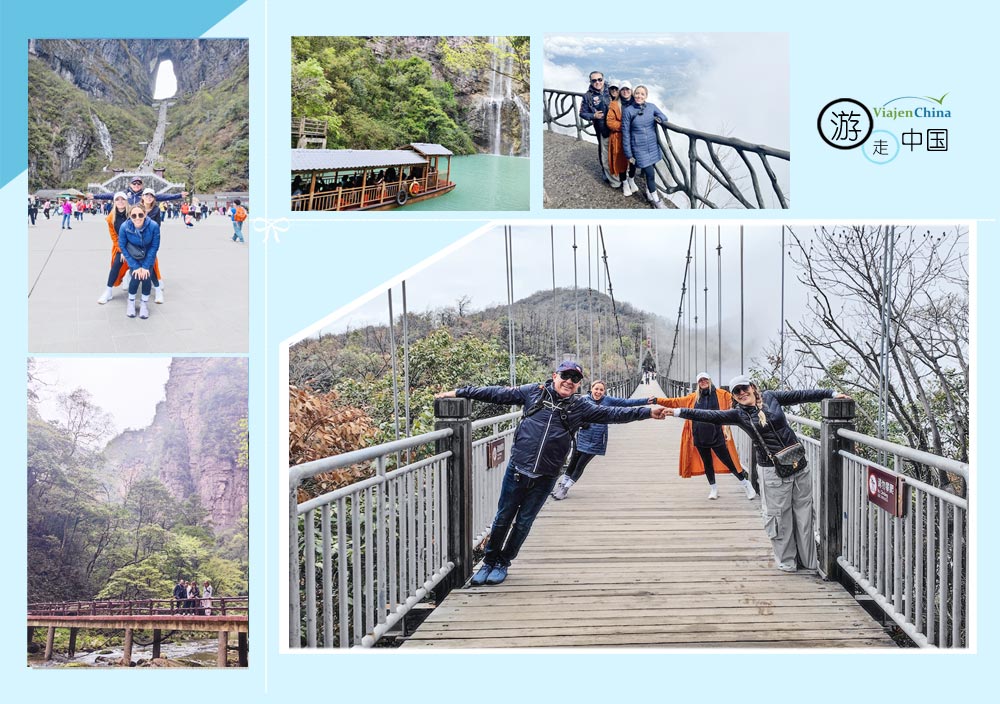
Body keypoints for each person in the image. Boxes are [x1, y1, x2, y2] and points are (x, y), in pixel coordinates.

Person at [435, 361, 669, 586]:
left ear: (579, 385)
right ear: (555, 376)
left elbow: (614, 414)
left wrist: (648, 412)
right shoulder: (533, 393)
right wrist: (459, 391)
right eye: (565, 376)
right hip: (518, 469)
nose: (569, 381)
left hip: (546, 476)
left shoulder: (581, 407)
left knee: (524, 522)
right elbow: (497, 393)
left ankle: (503, 563)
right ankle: (488, 562)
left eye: (575, 379)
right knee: (503, 518)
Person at [670, 375, 849, 572]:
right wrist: (676, 412)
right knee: (779, 518)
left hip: (799, 466)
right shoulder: (738, 414)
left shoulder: (771, 397)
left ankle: (809, 563)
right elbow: (709, 416)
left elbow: (801, 395)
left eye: (744, 388)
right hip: (773, 472)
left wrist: (832, 394)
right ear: (734, 396)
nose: (741, 393)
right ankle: (787, 562)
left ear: (753, 387)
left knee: (805, 516)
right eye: (736, 391)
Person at [654, 373, 756, 500]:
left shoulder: (721, 394)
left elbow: (736, 399)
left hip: (717, 435)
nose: (703, 382)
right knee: (707, 464)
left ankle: (746, 484)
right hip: (699, 435)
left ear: (709, 380)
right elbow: (674, 402)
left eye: (705, 379)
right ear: (698, 383)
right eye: (700, 380)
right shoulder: (693, 397)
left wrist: (752, 405)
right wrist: (656, 400)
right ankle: (713, 488)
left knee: (729, 462)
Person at [551, 379, 654, 500]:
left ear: (604, 391)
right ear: (591, 388)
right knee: (572, 463)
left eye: (601, 390)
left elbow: (626, 403)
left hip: (597, 439)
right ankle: (562, 485)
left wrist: (646, 401)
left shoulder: (608, 400)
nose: (598, 392)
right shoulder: (583, 400)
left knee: (580, 465)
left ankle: (565, 489)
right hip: (582, 437)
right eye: (596, 389)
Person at [622, 85, 669, 209]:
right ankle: (657, 201)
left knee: (650, 171)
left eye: (642, 94)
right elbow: (625, 133)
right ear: (634, 94)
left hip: (652, 145)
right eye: (637, 93)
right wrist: (628, 154)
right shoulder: (628, 110)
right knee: (650, 174)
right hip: (639, 147)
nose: (639, 96)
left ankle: (648, 192)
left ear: (646, 96)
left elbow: (664, 117)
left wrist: (659, 119)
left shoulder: (651, 107)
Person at [117, 204, 160, 319]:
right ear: (130, 216)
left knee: (146, 277)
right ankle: (131, 302)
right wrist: (135, 266)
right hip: (133, 256)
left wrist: (146, 266)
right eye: (134, 215)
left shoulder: (153, 226)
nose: (137, 218)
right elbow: (122, 245)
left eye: (140, 214)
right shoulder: (124, 227)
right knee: (136, 277)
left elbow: (154, 246)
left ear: (145, 214)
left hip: (148, 256)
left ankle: (144, 303)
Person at [579, 71, 619, 188]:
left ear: (603, 79)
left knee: (616, 149)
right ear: (591, 82)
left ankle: (618, 172)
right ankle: (606, 171)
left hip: (616, 127)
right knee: (603, 151)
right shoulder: (588, 96)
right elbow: (582, 113)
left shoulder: (611, 89)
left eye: (599, 79)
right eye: (594, 80)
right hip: (601, 128)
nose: (597, 82)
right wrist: (593, 116)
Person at [606, 81, 639, 198]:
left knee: (634, 159)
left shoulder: (636, 103)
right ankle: (624, 183)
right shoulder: (615, 104)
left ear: (631, 91)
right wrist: (624, 126)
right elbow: (610, 122)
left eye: (628, 89)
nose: (625, 92)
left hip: (634, 137)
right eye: (623, 89)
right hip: (619, 137)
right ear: (620, 91)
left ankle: (631, 179)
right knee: (621, 161)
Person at [96, 192, 130, 304]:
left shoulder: (132, 213)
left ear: (126, 201)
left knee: (144, 265)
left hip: (134, 246)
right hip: (120, 246)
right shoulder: (111, 217)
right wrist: (122, 251)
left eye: (123, 199)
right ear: (114, 202)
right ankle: (108, 291)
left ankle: (154, 288)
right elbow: (114, 237)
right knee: (116, 264)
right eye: (117, 199)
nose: (120, 201)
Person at [92, 175, 186, 207]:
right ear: (130, 184)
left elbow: (163, 196)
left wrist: (179, 195)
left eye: (139, 184)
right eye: (134, 183)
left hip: (140, 218)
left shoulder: (146, 194)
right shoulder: (124, 194)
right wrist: (94, 196)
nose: (136, 185)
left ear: (142, 185)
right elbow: (109, 195)